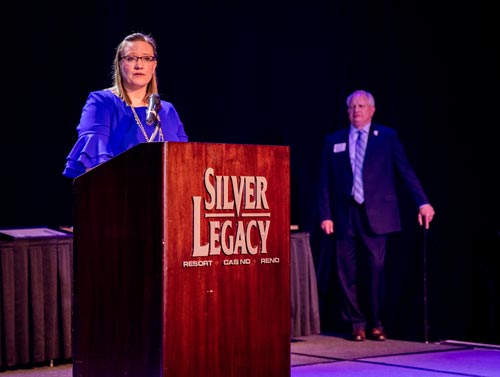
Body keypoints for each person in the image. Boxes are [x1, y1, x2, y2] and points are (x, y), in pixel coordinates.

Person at [317, 89, 435, 342]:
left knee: (375, 268)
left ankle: (376, 322)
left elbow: (405, 171)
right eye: (351, 107)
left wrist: (422, 202)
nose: (356, 111)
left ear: (372, 110)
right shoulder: (334, 141)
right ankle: (356, 324)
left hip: (377, 214)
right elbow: (324, 181)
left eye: (361, 106)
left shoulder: (387, 137)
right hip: (344, 213)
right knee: (345, 271)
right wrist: (326, 214)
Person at [63, 32, 188, 179]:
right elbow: (93, 165)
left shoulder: (167, 110)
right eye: (131, 58)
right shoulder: (101, 102)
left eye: (146, 59)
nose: (139, 65)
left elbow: (184, 161)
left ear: (154, 66)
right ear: (120, 63)